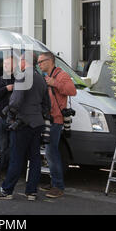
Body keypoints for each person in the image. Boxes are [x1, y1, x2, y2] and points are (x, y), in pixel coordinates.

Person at [0, 51, 51, 201]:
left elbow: (15, 101)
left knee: (16, 157)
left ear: (24, 61)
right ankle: (31, 192)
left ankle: (6, 190)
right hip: (37, 123)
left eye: (20, 60)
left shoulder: (23, 76)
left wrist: (10, 117)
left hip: (22, 123)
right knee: (35, 158)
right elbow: (46, 104)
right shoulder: (41, 79)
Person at [37, 51, 77, 198]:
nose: (39, 64)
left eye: (41, 61)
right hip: (47, 119)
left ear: (50, 61)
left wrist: (55, 83)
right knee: (51, 153)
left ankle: (58, 186)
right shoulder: (47, 76)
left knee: (51, 153)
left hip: (56, 120)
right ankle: (54, 183)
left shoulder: (61, 75)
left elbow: (72, 91)